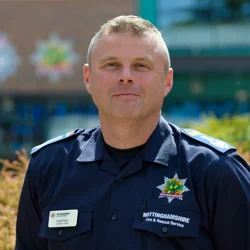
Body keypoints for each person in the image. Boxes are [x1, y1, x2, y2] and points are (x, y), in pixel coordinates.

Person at [15, 15, 250, 250]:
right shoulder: (49, 167)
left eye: (141, 65)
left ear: (167, 81)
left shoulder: (216, 170)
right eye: (112, 65)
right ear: (88, 78)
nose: (125, 76)